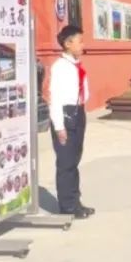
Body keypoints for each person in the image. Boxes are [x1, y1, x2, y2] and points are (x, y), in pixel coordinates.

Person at [49, 25, 94, 219]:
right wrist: (59, 127)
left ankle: (76, 202)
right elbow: (55, 98)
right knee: (66, 163)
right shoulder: (60, 67)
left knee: (74, 161)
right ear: (68, 44)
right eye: (79, 41)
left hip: (78, 112)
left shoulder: (76, 65)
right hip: (66, 115)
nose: (83, 45)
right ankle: (67, 206)